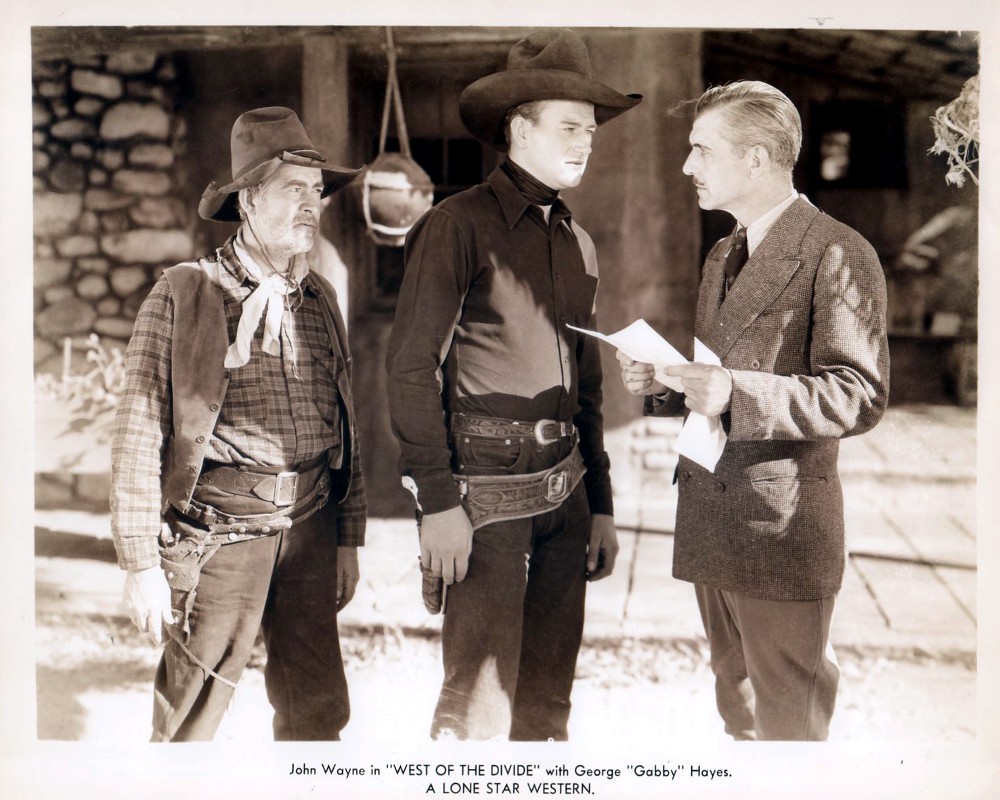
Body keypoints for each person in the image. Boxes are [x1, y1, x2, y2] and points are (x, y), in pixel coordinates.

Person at [385, 28, 641, 741]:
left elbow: (587, 384)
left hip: (568, 491)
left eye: (590, 130)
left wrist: (601, 505)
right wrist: (438, 502)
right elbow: (410, 369)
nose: (585, 143)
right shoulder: (455, 226)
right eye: (568, 127)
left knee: (547, 704)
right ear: (519, 128)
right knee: (476, 708)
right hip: (485, 498)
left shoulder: (578, 242)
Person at [618, 81, 889, 741]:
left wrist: (733, 394)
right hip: (712, 517)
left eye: (702, 150)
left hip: (779, 528)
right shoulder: (723, 253)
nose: (688, 165)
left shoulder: (838, 251)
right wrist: (663, 383)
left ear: (757, 159)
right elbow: (724, 370)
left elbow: (858, 393)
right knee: (738, 717)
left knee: (788, 728)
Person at [110, 106, 367, 742]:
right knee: (191, 719)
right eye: (292, 189)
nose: (310, 205)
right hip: (217, 537)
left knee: (317, 714)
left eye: (316, 190)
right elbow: (139, 430)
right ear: (248, 200)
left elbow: (344, 425)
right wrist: (140, 564)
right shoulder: (183, 292)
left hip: (310, 528)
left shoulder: (320, 298)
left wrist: (347, 537)